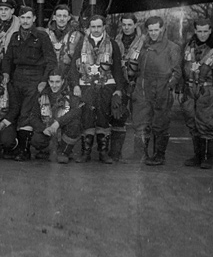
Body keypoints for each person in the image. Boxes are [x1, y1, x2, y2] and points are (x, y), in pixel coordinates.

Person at [2, 6, 57, 161]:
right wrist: (6, 73)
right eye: (22, 18)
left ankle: (24, 150)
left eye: (28, 18)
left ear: (33, 19)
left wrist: (43, 81)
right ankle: (11, 145)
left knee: (27, 114)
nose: (25, 21)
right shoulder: (15, 36)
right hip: (17, 78)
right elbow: (7, 59)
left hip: (34, 79)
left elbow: (51, 61)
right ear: (19, 19)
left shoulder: (41, 36)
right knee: (13, 110)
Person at [70, 15, 124, 164]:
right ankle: (85, 152)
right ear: (89, 28)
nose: (95, 29)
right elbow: (73, 68)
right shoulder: (81, 44)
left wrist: (119, 89)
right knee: (86, 117)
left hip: (106, 86)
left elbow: (118, 69)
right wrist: (75, 84)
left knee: (103, 117)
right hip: (86, 86)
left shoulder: (112, 44)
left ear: (104, 27)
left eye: (99, 26)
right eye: (93, 27)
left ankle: (103, 152)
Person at [132, 16, 181, 166]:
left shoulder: (172, 47)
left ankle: (159, 155)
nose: (153, 33)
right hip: (144, 86)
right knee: (141, 121)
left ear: (162, 29)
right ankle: (142, 154)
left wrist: (169, 87)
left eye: (156, 30)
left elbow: (177, 72)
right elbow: (135, 66)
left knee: (160, 122)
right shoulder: (143, 46)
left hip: (162, 87)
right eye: (150, 30)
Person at [179, 18, 213, 169]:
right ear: (195, 31)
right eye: (200, 31)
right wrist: (181, 90)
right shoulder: (188, 46)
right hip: (190, 89)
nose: (203, 34)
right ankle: (197, 156)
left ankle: (207, 158)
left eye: (206, 31)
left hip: (207, 90)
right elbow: (182, 68)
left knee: (206, 124)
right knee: (192, 123)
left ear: (210, 30)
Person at [28, 71, 83, 164]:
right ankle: (48, 151)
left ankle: (64, 152)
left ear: (62, 81)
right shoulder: (42, 95)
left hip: (63, 129)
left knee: (75, 125)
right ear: (48, 82)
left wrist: (58, 123)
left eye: (57, 82)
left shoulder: (70, 95)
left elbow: (76, 112)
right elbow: (33, 117)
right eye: (51, 82)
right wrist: (44, 128)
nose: (54, 85)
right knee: (36, 140)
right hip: (48, 129)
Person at [111, 13, 144, 161]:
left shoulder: (144, 42)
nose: (126, 27)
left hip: (138, 84)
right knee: (118, 116)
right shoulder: (115, 41)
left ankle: (140, 155)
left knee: (140, 119)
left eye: (130, 24)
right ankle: (115, 154)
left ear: (135, 25)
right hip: (121, 83)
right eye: (124, 25)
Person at [45, 4, 83, 77]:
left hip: (68, 74)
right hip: (49, 75)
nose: (62, 19)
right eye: (59, 16)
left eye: (64, 16)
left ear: (69, 18)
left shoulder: (77, 35)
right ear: (54, 17)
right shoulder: (45, 34)